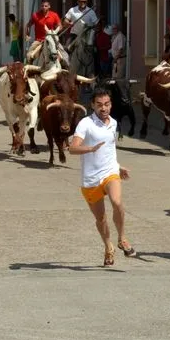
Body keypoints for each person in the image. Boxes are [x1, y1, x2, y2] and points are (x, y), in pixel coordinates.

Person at [69, 87, 137, 266]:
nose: (103, 108)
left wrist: (118, 166)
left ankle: (122, 239)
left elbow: (109, 149)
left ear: (111, 105)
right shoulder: (85, 123)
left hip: (110, 172)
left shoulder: (113, 123)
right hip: (90, 179)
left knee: (117, 202)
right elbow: (73, 148)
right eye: (99, 105)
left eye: (107, 104)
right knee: (101, 219)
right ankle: (108, 247)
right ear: (92, 105)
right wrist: (89, 149)